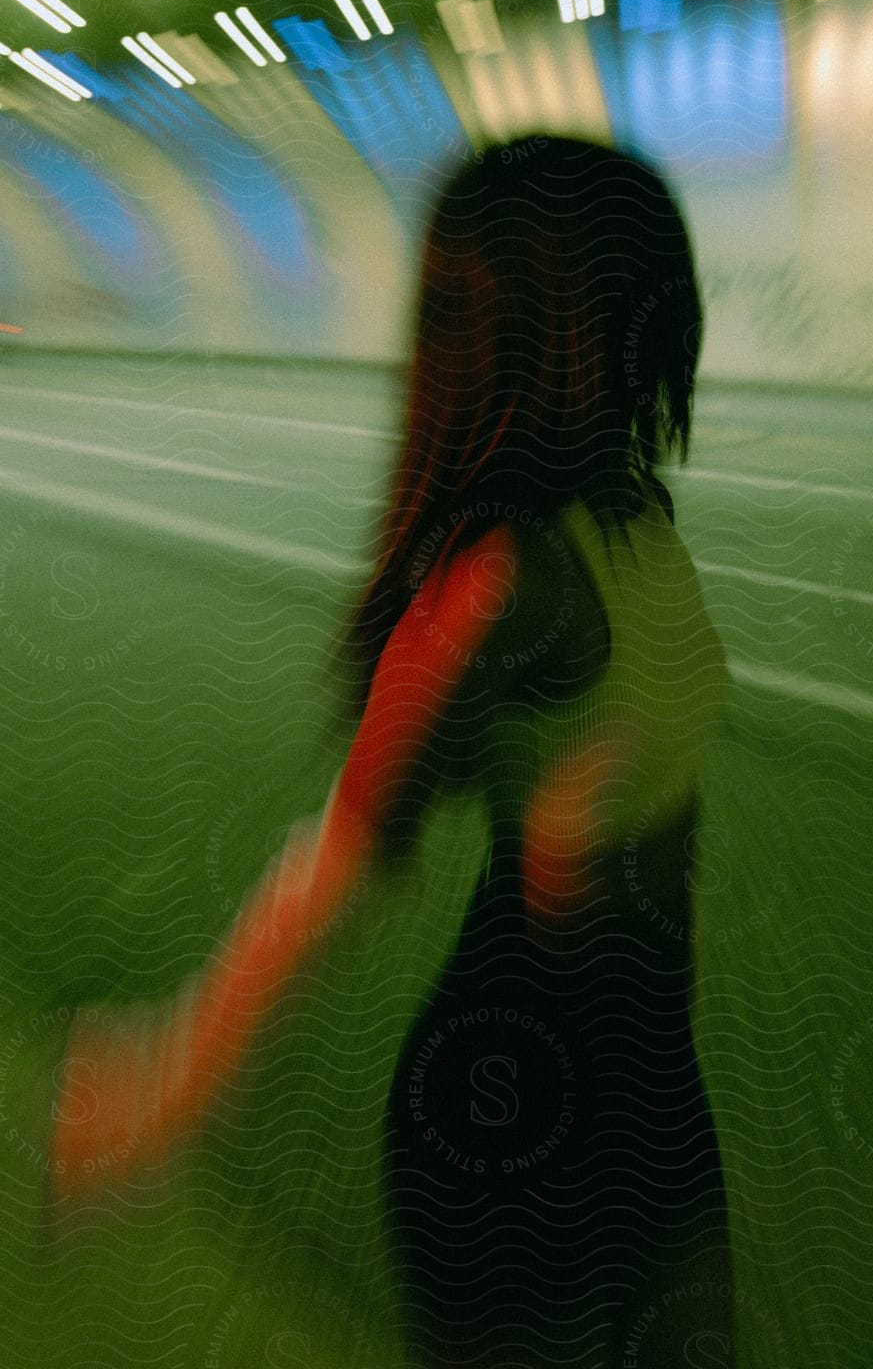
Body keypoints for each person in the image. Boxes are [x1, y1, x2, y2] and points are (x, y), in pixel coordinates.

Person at [47, 134, 736, 1368]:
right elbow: (348, 851)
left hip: (654, 1092)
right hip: (523, 1109)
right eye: (648, 288)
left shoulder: (632, 506)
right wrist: (178, 1074)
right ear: (573, 321)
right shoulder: (495, 584)